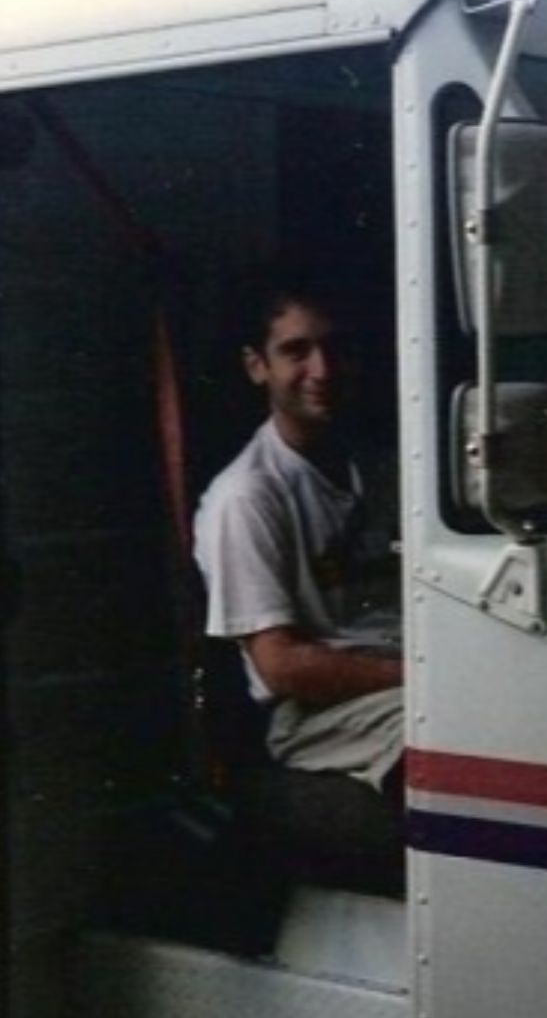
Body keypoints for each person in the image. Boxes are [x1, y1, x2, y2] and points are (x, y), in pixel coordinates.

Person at [193, 285, 404, 807]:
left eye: (335, 349)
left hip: (399, 678)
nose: (322, 370)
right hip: (316, 715)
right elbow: (280, 664)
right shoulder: (246, 496)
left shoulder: (380, 466)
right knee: (464, 733)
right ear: (256, 366)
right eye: (296, 351)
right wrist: (424, 675)